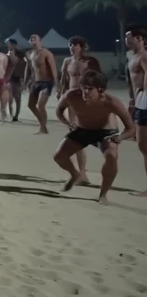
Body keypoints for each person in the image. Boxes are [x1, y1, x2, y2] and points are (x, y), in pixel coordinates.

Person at [53, 70, 136, 205]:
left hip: (106, 132)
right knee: (58, 156)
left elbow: (131, 128)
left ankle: (103, 194)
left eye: (90, 89)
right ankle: (75, 174)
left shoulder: (112, 102)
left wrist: (120, 137)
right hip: (83, 130)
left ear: (101, 89)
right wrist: (67, 122)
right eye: (83, 87)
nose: (85, 92)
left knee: (112, 156)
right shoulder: (72, 95)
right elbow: (59, 110)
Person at [57, 36, 102, 185]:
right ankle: (82, 173)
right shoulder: (67, 62)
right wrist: (61, 94)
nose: (73, 47)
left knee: (90, 134)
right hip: (72, 99)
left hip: (87, 99)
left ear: (82, 47)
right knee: (76, 134)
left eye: (76, 45)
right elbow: (64, 79)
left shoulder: (90, 62)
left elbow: (99, 79)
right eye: (71, 44)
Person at [125, 25, 147, 197]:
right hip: (139, 102)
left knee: (143, 145)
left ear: (139, 39)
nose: (126, 39)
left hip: (145, 102)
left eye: (129, 36)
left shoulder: (144, 56)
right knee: (142, 146)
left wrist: (141, 97)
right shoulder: (132, 56)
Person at [25, 33, 58, 135]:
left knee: (41, 105)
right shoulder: (30, 53)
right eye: (31, 38)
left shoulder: (46, 53)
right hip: (36, 82)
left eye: (35, 38)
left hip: (47, 82)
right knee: (31, 105)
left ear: (39, 40)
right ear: (30, 41)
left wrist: (57, 84)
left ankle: (43, 127)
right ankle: (42, 126)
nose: (33, 39)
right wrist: (26, 81)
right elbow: (28, 69)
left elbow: (53, 68)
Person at [4, 39, 27, 121]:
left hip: (18, 78)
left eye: (9, 44)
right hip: (9, 78)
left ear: (14, 45)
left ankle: (16, 115)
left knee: (17, 97)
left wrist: (23, 81)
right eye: (7, 44)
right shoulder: (6, 54)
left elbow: (17, 63)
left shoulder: (21, 54)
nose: (8, 45)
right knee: (9, 98)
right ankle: (11, 114)